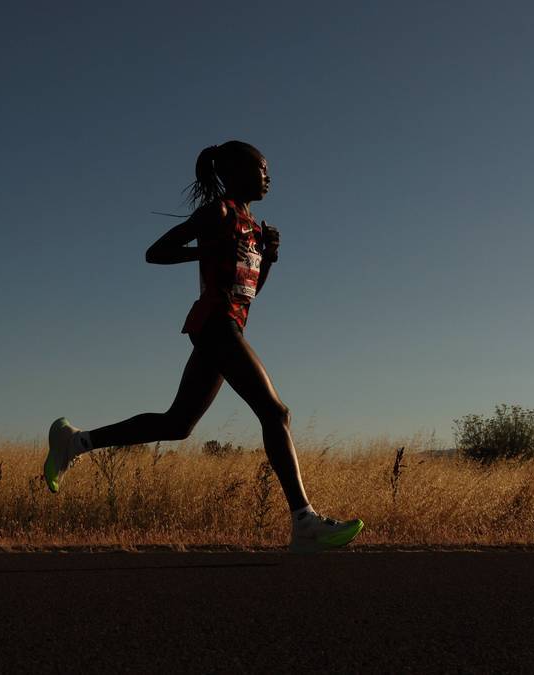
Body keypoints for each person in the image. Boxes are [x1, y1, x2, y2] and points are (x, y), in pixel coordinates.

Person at [45, 140, 363, 553]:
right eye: (261, 168)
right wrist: (206, 249)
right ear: (235, 174)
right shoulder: (219, 213)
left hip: (231, 326)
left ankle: (75, 442)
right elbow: (155, 253)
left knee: (177, 424)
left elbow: (248, 291)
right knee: (275, 412)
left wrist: (269, 257)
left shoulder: (250, 223)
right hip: (215, 326)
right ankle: (304, 521)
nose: (269, 176)